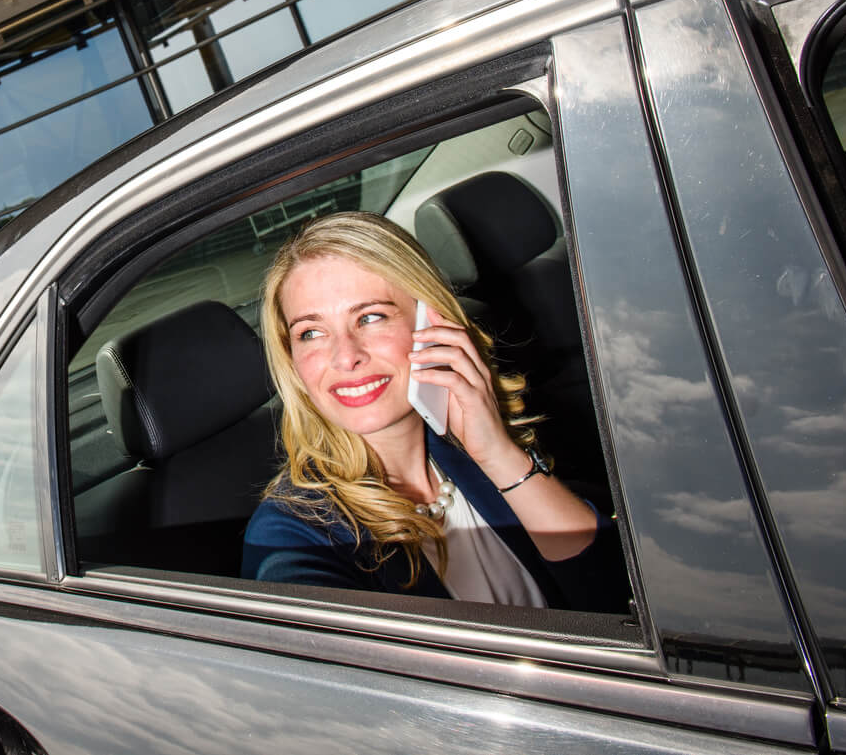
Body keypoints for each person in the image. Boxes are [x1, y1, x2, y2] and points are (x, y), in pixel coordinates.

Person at [241, 212, 627, 612]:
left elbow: (621, 600)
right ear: (292, 359)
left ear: (432, 323)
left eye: (370, 317)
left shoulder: (465, 448)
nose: (345, 356)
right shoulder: (288, 535)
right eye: (311, 332)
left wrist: (499, 456)